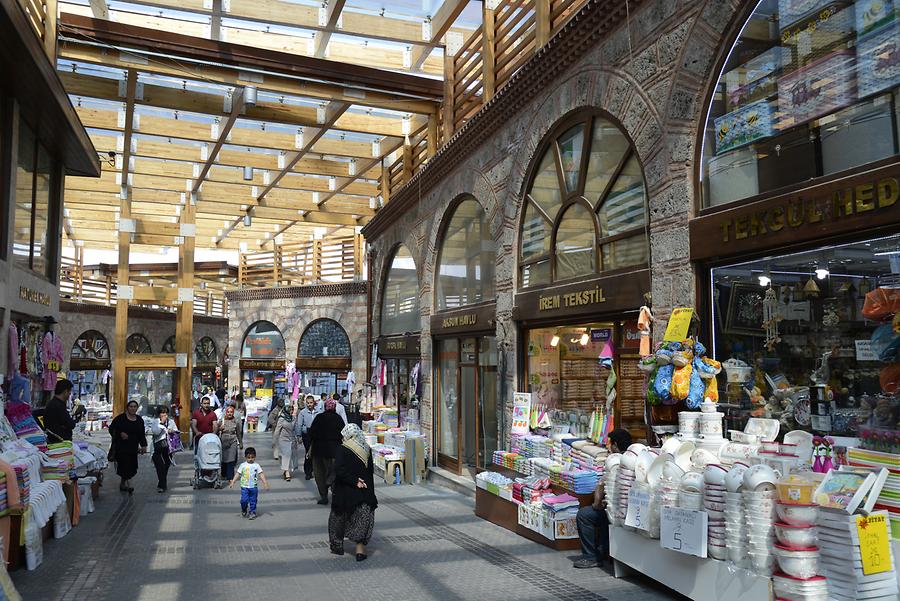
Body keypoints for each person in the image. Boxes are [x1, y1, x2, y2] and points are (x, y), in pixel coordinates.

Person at [573, 428, 633, 569]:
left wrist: (596, 504)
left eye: (610, 443)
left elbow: (600, 486)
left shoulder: (614, 463)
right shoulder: (634, 461)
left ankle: (591, 556)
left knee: (585, 515)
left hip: (617, 513)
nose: (607, 447)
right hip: (628, 512)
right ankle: (602, 550)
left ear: (616, 445)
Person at [329, 423, 378, 561]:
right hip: (364, 490)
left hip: (344, 491)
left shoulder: (342, 449)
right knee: (362, 517)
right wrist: (370, 491)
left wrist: (354, 480)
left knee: (338, 518)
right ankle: (360, 548)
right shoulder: (366, 449)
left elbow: (338, 470)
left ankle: (337, 545)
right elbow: (370, 472)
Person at [308, 399, 345, 504]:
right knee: (334, 472)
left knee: (320, 474)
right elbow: (343, 434)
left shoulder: (319, 418)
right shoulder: (338, 419)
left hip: (319, 452)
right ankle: (334, 492)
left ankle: (324, 496)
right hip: (334, 452)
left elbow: (311, 433)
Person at [108, 400, 148, 493]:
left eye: (135, 407)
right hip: (121, 447)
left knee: (132, 466)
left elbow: (141, 434)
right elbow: (112, 429)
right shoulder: (120, 418)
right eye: (131, 406)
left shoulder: (139, 420)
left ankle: (122, 484)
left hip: (133, 447)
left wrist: (144, 445)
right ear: (127, 408)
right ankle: (130, 483)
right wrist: (120, 434)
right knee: (125, 465)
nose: (133, 408)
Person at [229, 446, 269, 520]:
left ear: (255, 457)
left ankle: (252, 512)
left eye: (252, 457)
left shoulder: (256, 465)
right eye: (248, 457)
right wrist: (233, 481)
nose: (250, 459)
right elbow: (238, 473)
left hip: (253, 487)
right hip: (244, 487)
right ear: (245, 457)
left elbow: (261, 474)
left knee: (253, 500)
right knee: (244, 500)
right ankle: (244, 509)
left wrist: (265, 483)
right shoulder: (243, 465)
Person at [149, 406, 178, 493]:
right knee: (160, 466)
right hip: (157, 447)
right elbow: (155, 432)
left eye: (166, 412)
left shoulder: (171, 421)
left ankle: (161, 483)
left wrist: (172, 431)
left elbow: (176, 431)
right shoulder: (156, 422)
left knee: (166, 466)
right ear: (159, 414)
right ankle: (162, 486)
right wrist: (162, 423)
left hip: (168, 447)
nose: (164, 414)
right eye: (162, 413)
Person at [295, 395, 320, 480]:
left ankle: (315, 470)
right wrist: (299, 435)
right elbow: (299, 424)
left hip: (316, 434)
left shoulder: (318, 412)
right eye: (308, 403)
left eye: (311, 403)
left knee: (316, 453)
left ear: (314, 403)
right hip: (307, 434)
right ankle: (308, 472)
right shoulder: (303, 413)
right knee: (308, 452)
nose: (309, 404)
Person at [272, 398, 297, 481]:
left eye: (292, 410)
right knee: (286, 456)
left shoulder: (293, 418)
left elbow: (295, 429)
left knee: (290, 456)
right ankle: (287, 473)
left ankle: (286, 470)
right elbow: (277, 431)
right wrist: (274, 442)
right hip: (283, 440)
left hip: (292, 439)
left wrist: (298, 437)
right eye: (290, 410)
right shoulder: (281, 419)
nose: (291, 412)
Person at [218, 406, 242, 482]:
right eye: (228, 412)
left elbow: (238, 432)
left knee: (231, 459)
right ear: (226, 412)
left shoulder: (236, 421)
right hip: (224, 440)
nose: (229, 413)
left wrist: (240, 442)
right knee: (224, 459)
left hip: (233, 440)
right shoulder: (222, 420)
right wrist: (219, 428)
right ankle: (223, 474)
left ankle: (230, 477)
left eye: (231, 412)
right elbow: (215, 430)